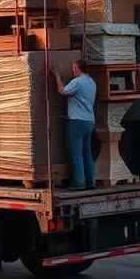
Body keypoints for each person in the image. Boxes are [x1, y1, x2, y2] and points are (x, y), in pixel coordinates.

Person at [54, 60, 97, 190]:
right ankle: (90, 182)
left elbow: (62, 91)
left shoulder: (78, 82)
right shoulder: (92, 82)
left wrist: (56, 75)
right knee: (87, 153)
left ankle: (79, 182)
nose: (72, 71)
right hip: (89, 121)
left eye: (74, 68)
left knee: (77, 154)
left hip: (77, 121)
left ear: (78, 68)